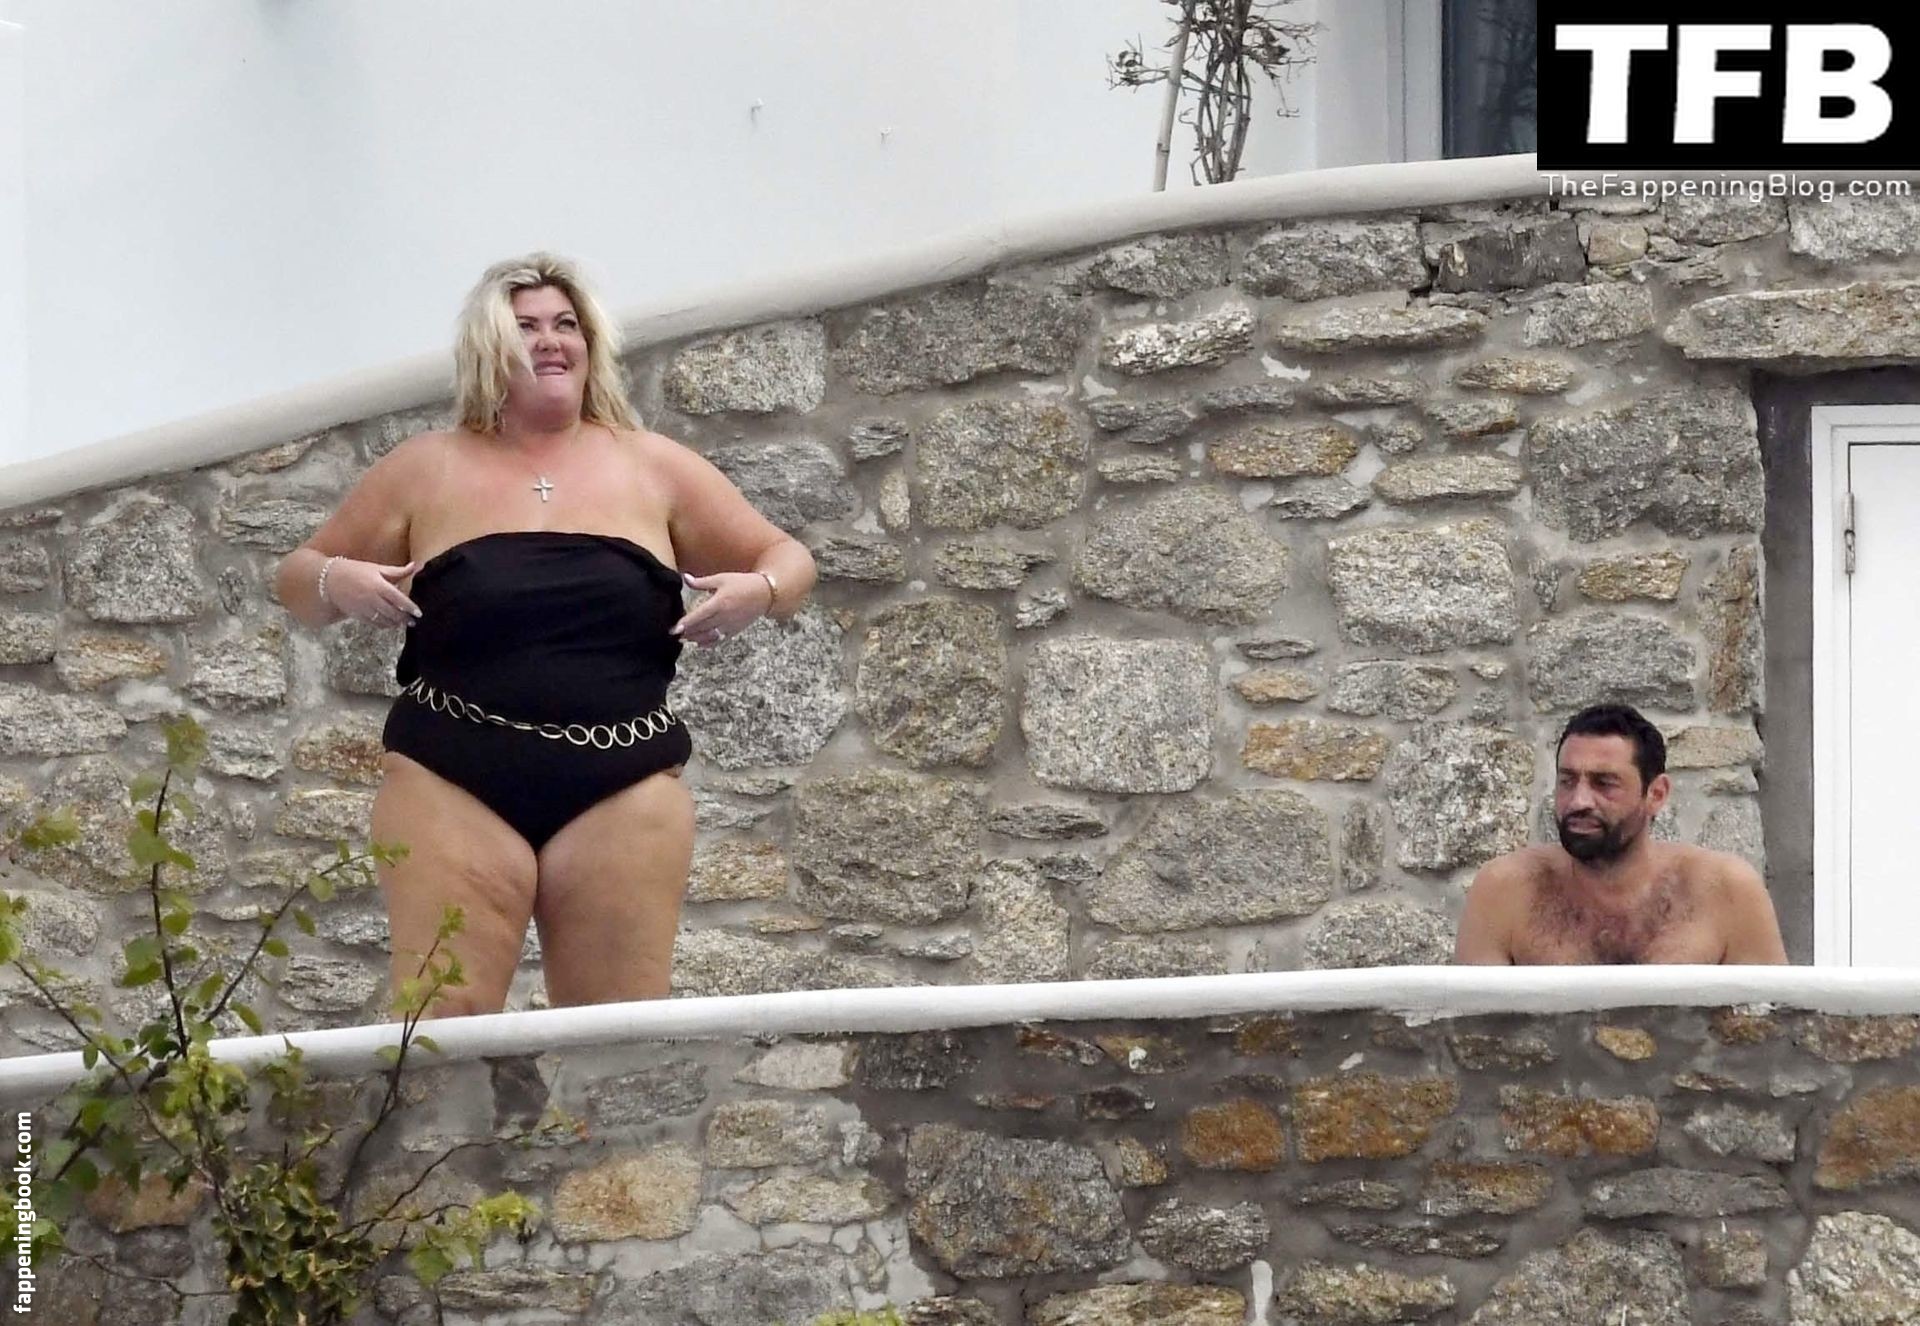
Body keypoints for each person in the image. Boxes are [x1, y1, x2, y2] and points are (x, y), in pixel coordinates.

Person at [275, 253, 816, 1017]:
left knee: (614, 1034)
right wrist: (339, 581)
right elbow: (297, 578)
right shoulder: (425, 468)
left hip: (622, 779)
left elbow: (788, 558)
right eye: (526, 327)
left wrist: (758, 592)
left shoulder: (653, 466)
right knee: (440, 1024)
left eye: (566, 325)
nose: (550, 340)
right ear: (488, 347)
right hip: (450, 773)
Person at [1454, 703, 1787, 965]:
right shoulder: (1506, 891)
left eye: (1604, 783)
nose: (1579, 801)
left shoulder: (1726, 890)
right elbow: (1471, 1027)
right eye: (1567, 781)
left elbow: (1768, 1025)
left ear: (1656, 794)